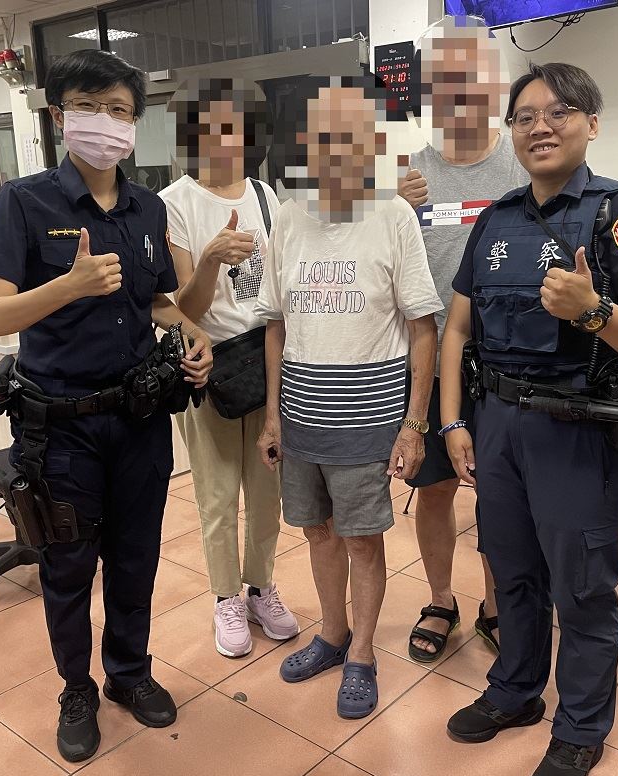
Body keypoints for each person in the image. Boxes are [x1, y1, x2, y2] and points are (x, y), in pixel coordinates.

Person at [439, 63, 618, 776]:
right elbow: (458, 329)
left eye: (560, 111)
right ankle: (515, 690)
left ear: (592, 124)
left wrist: (593, 311)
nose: (540, 126)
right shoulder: (496, 220)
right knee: (511, 572)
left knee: (581, 590)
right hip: (499, 425)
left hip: (578, 430)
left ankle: (579, 728)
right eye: (525, 116)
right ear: (511, 132)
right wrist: (453, 420)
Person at [0, 49, 213, 764]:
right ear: (58, 115)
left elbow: (156, 300)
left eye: (120, 110)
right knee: (69, 566)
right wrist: (68, 287)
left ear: (134, 124)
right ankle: (76, 689)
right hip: (61, 430)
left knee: (136, 559)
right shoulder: (24, 202)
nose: (106, 122)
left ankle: (128, 674)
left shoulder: (147, 208)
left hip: (139, 420)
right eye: (90, 106)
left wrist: (190, 335)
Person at [255, 75, 441, 719]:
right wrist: (272, 416)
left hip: (369, 419)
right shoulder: (288, 217)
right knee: (317, 532)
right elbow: (276, 325)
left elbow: (423, 327)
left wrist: (414, 424)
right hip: (300, 416)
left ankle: (361, 653)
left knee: (362, 539)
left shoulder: (393, 215)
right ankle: (331, 635)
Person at [397, 15, 527, 663]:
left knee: (502, 494)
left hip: (510, 364)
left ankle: (498, 601)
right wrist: (390, 209)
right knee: (435, 488)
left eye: (471, 73)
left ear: (493, 80)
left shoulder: (524, 161)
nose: (459, 87)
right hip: (429, 362)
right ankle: (441, 597)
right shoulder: (407, 174)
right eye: (444, 76)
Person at [159, 78, 299, 658]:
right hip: (207, 368)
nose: (224, 136)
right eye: (209, 124)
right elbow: (180, 309)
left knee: (267, 492)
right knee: (217, 496)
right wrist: (211, 260)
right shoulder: (173, 202)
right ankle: (226, 598)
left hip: (266, 364)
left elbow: (283, 287)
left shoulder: (267, 197)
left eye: (235, 124)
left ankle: (261, 586)